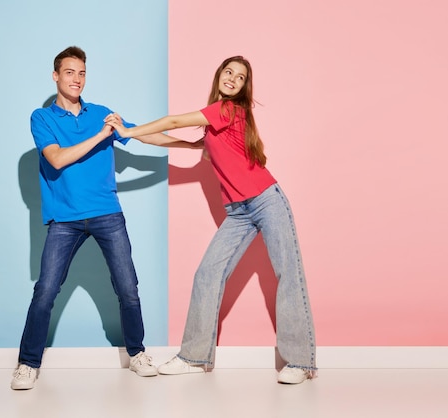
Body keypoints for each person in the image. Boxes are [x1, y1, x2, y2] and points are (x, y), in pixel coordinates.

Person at [105, 55, 318, 384]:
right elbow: (172, 139)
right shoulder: (215, 123)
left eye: (241, 77)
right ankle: (194, 356)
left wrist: (131, 129)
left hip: (266, 200)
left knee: (287, 273)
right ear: (219, 76)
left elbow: (173, 122)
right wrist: (129, 133)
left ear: (245, 87)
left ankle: (301, 361)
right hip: (238, 213)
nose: (233, 78)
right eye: (228, 72)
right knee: (207, 274)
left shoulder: (229, 110)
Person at [11, 46, 198, 390]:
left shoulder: (101, 113)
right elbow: (56, 159)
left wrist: (189, 146)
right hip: (65, 219)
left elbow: (141, 133)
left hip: (107, 213)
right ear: (56, 76)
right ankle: (27, 363)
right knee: (46, 291)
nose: (77, 79)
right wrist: (102, 135)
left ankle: (137, 353)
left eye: (82, 73)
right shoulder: (43, 118)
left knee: (128, 288)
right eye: (70, 72)